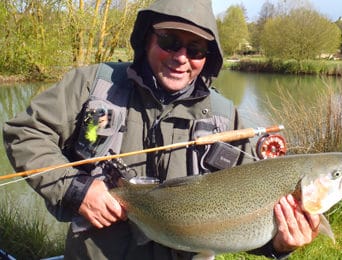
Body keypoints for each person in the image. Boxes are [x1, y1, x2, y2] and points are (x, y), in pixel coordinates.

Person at [3, 0, 320, 259]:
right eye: (170, 42)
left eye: (196, 50)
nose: (182, 58)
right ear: (146, 40)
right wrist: (75, 190)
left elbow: (242, 217)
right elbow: (25, 135)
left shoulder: (225, 117)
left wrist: (278, 244)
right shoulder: (92, 85)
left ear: (207, 58)